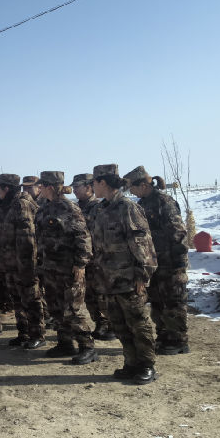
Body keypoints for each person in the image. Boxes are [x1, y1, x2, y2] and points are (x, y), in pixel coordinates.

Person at [90, 164, 158, 384]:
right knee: (119, 325)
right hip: (108, 280)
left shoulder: (127, 207)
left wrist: (142, 275)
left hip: (129, 280)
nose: (92, 186)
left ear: (103, 183)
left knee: (138, 324)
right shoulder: (102, 208)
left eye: (94, 182)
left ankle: (147, 365)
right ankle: (131, 362)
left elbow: (143, 244)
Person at [125, 165, 190, 354]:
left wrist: (179, 262)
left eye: (132, 187)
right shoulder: (142, 203)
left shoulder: (164, 202)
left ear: (143, 185)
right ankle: (164, 336)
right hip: (154, 263)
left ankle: (178, 341)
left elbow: (178, 233)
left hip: (170, 263)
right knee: (157, 302)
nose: (131, 191)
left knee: (173, 302)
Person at [34, 172, 96, 364]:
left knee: (74, 309)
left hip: (68, 268)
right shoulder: (44, 208)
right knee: (56, 307)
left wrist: (80, 263)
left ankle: (87, 347)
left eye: (41, 185)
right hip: (50, 267)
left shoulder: (69, 208)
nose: (39, 189)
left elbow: (83, 237)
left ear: (49, 187)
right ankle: (65, 343)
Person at [0, 173, 45, 349]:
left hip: (24, 265)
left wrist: (28, 266)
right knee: (17, 300)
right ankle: (23, 332)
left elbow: (28, 239)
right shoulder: (7, 205)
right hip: (11, 263)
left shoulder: (22, 204)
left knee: (31, 299)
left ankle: (37, 333)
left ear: (6, 188)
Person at [72, 173, 115, 341]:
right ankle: (100, 323)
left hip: (98, 259)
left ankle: (112, 325)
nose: (74, 190)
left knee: (103, 294)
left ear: (89, 187)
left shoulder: (98, 207)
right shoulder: (77, 207)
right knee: (89, 295)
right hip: (85, 260)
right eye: (73, 187)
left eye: (78, 187)